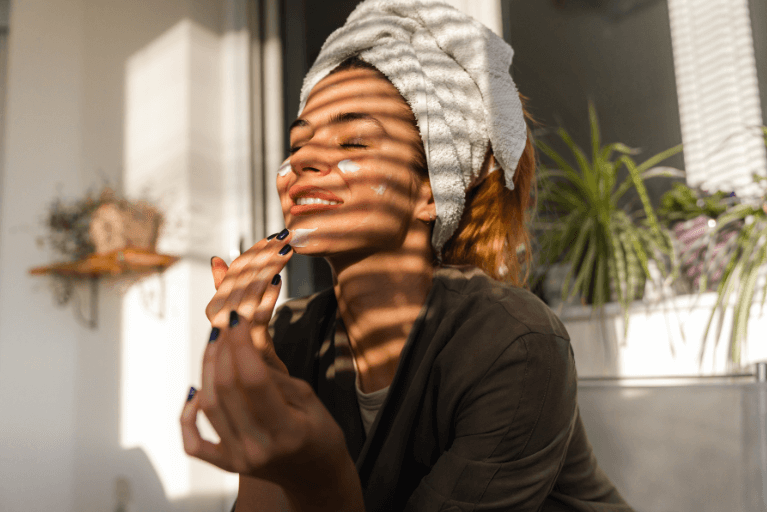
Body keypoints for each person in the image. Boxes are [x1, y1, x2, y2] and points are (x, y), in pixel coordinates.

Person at [180, 1, 635, 511]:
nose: (302, 160)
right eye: (298, 143)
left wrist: (322, 476)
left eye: (352, 140)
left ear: (433, 192)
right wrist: (260, 377)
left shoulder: (514, 344)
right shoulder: (290, 334)